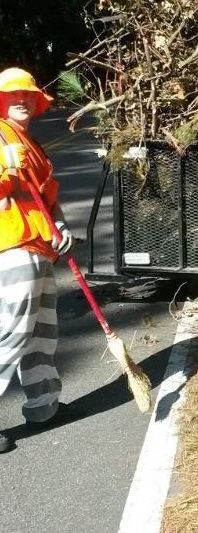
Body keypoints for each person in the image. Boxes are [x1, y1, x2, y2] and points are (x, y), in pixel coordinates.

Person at [0, 68, 73, 454]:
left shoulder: (32, 143)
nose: (22, 100)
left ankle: (44, 405)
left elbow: (47, 196)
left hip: (39, 245)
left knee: (42, 331)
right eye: (13, 95)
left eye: (28, 95)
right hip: (11, 244)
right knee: (11, 332)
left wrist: (58, 222)